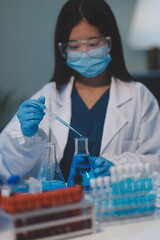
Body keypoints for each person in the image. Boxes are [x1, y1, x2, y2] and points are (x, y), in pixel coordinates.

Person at [0, 0, 160, 182]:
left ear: (109, 42)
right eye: (74, 47)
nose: (84, 52)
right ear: (63, 50)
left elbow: (156, 161)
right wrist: (26, 137)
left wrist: (118, 168)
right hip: (62, 205)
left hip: (114, 206)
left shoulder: (139, 97)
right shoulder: (50, 96)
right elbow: (8, 167)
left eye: (93, 44)